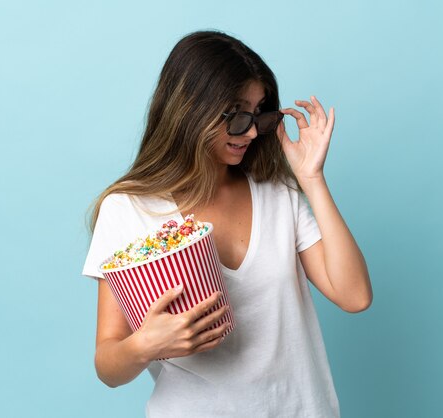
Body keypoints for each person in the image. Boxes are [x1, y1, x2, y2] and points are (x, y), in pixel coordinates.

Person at [82, 30, 372, 417]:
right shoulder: (128, 209)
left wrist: (312, 180)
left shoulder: (277, 192)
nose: (251, 131)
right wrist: (144, 345)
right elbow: (108, 365)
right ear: (190, 111)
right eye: (237, 116)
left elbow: (354, 296)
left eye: (259, 114)